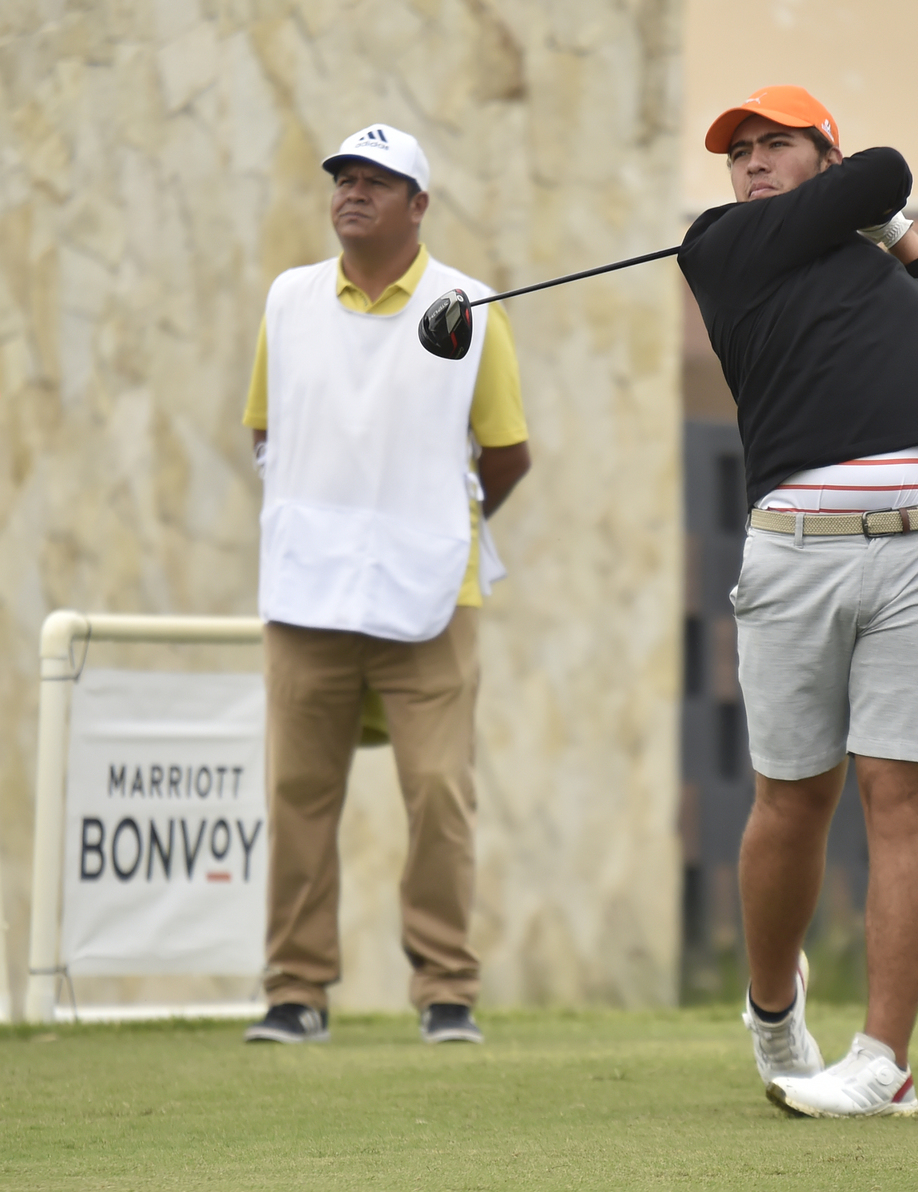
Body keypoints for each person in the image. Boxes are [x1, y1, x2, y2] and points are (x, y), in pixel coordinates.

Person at [678, 87, 918, 1116]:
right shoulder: (720, 245)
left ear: (822, 155)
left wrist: (896, 239)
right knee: (792, 801)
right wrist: (875, 205)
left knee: (900, 798)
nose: (751, 162)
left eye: (775, 144)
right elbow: (887, 168)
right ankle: (774, 1010)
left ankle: (882, 1062)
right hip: (795, 554)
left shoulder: (877, 277)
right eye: (739, 150)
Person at [241, 123, 530, 1045]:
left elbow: (507, 453)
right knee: (298, 792)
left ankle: (446, 990)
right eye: (344, 179)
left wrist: (437, 527)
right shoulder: (288, 299)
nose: (353, 193)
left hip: (434, 593)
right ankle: (295, 992)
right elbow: (265, 431)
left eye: (377, 181)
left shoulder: (465, 307)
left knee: (439, 792)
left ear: (419, 204)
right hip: (307, 588)